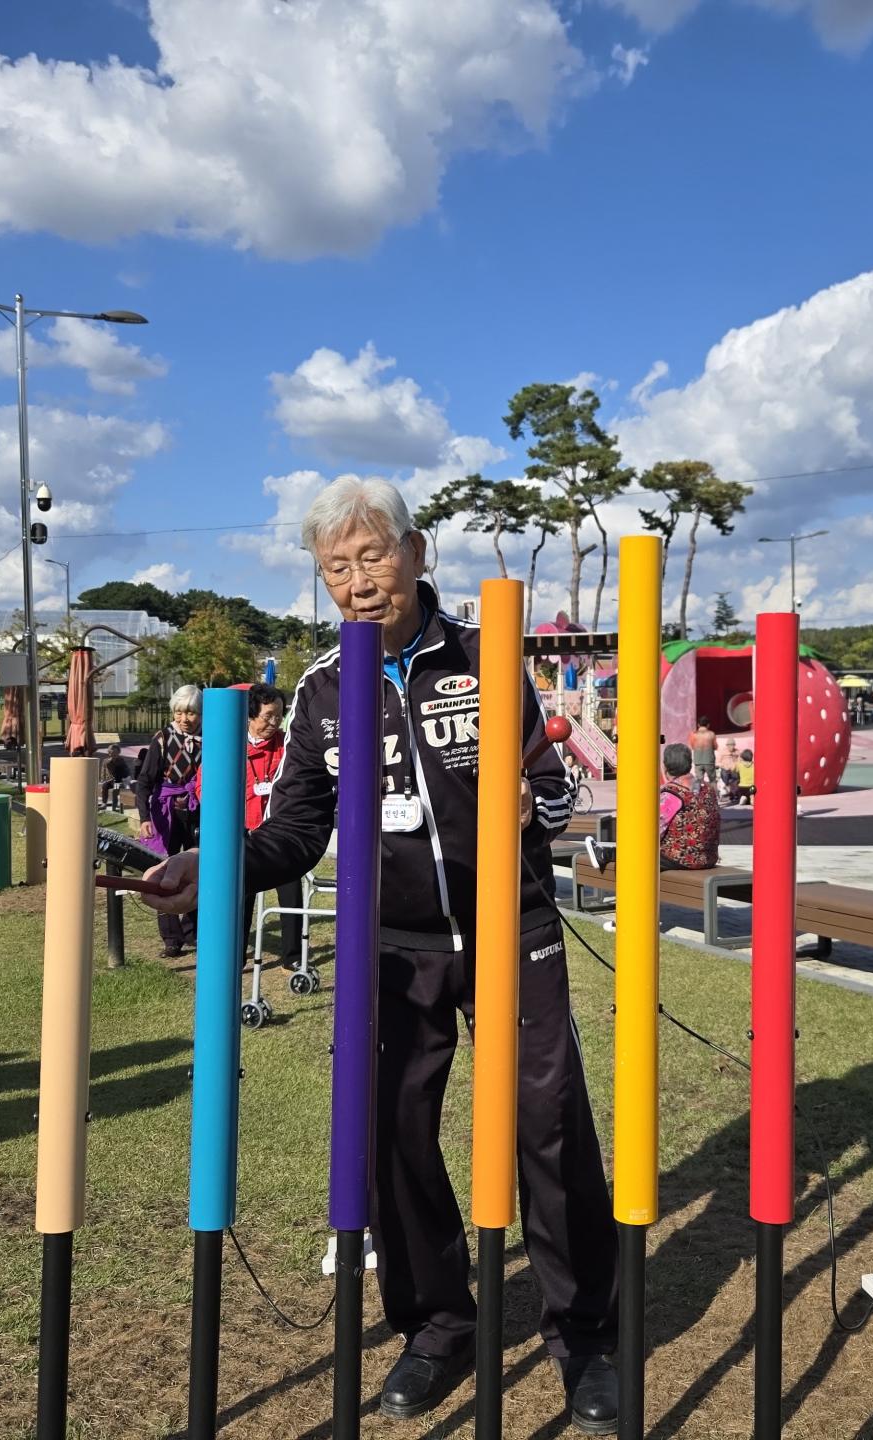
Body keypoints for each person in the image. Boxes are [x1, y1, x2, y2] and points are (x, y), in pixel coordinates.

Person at [143, 477, 619, 1433]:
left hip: (513, 928)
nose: (359, 583)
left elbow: (556, 790)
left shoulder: (486, 653)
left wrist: (534, 810)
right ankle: (437, 1325)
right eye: (337, 568)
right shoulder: (322, 692)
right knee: (389, 1130)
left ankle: (584, 1335)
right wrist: (219, 863)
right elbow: (297, 832)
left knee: (548, 1124)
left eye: (373, 557)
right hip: (392, 946)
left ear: (416, 552)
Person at [135, 686, 203, 958]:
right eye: (179, 712)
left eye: (191, 713)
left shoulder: (209, 738)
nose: (185, 718)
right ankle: (171, 939)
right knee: (164, 870)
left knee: (197, 869)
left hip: (198, 810)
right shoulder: (162, 739)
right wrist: (144, 818)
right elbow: (144, 781)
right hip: (166, 812)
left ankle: (193, 931)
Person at [239, 682, 303, 965]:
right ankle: (236, 955)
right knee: (241, 898)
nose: (274, 722)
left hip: (281, 833)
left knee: (291, 895)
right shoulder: (232, 744)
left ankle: (293, 956)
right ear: (251, 716)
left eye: (279, 715)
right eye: (268, 716)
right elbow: (205, 786)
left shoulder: (288, 745)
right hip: (245, 833)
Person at [658, 743, 720, 871]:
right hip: (709, 858)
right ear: (690, 764)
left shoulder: (671, 793)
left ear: (665, 766)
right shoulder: (708, 789)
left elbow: (654, 831)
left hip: (680, 859)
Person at [689, 716, 717, 792]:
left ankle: (698, 797)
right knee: (713, 780)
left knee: (698, 781)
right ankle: (715, 797)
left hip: (698, 761)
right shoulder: (711, 734)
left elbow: (692, 746)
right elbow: (715, 747)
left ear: (698, 724)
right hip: (709, 761)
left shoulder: (693, 735)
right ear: (708, 725)